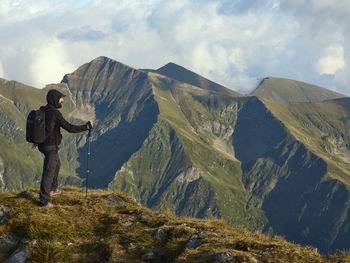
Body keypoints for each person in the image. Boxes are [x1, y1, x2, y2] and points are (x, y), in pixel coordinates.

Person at [34, 89, 93, 208]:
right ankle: (44, 201)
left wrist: (36, 141)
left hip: (43, 145)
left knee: (56, 165)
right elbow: (69, 128)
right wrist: (85, 127)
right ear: (55, 99)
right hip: (50, 146)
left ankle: (53, 189)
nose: (62, 100)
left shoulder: (43, 110)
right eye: (61, 98)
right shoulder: (55, 113)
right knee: (49, 172)